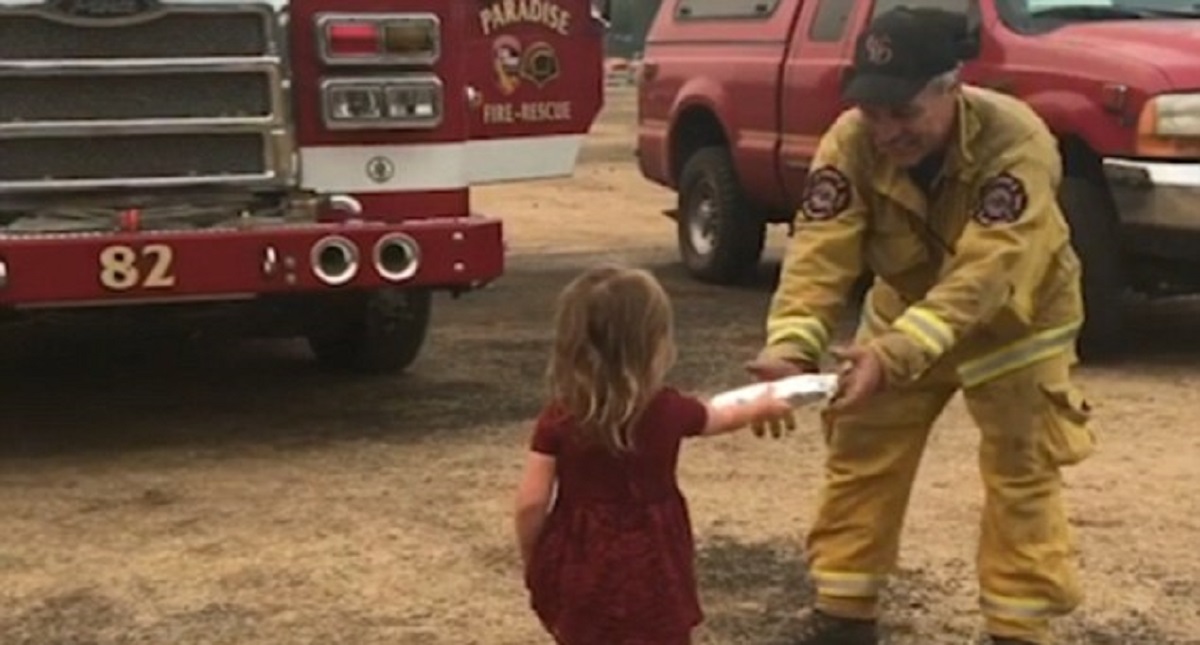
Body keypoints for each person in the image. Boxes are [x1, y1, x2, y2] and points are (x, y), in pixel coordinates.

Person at [744, 7, 1098, 645]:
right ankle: (843, 619)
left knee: (1023, 473)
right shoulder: (848, 140)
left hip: (1017, 325)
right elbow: (822, 249)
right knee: (861, 453)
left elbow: (989, 273)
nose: (885, 131)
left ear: (951, 87)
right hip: (903, 315)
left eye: (903, 112)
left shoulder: (1016, 140)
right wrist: (791, 350)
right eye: (873, 111)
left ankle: (1018, 629)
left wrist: (896, 351)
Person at [514, 264, 797, 645]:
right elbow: (721, 415)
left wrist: (536, 555)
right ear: (654, 343)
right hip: (654, 558)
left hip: (582, 555)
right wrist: (762, 405)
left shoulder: (560, 417)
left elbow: (531, 503)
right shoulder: (668, 409)